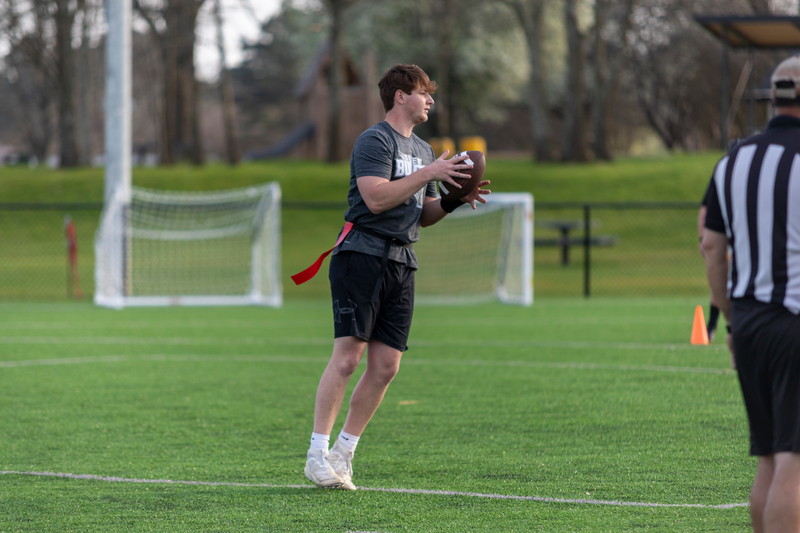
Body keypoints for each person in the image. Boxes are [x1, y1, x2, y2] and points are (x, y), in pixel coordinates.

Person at [303, 64, 491, 490]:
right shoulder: (375, 139)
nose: (430, 101)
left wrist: (455, 199)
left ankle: (343, 453)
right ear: (400, 95)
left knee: (387, 366)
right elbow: (374, 198)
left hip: (402, 261)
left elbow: (422, 215)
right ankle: (316, 452)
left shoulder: (425, 151)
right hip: (361, 255)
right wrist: (428, 175)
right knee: (349, 358)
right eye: (424, 92)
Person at [702, 54, 800, 533]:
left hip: (752, 322)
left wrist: (731, 317)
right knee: (794, 463)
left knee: (768, 457)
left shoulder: (734, 160)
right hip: (795, 319)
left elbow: (710, 245)